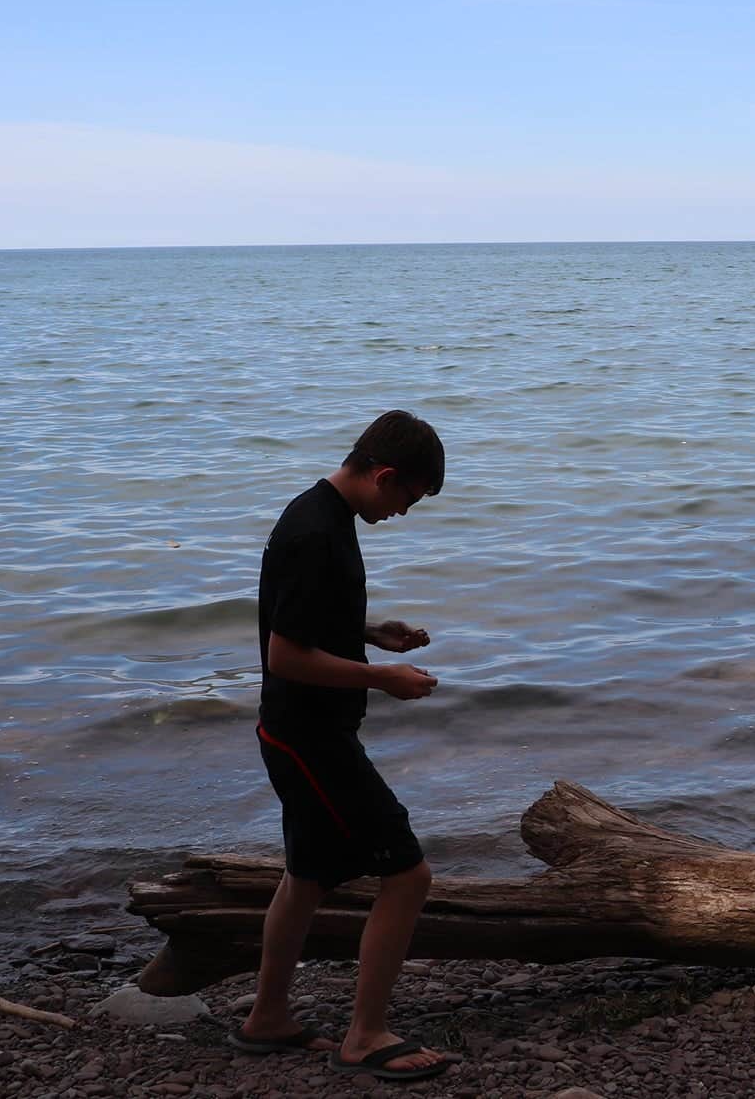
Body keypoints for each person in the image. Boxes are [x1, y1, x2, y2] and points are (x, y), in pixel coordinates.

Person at [233, 410, 452, 1082]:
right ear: (383, 475)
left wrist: (369, 633)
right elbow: (286, 655)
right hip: (309, 736)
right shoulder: (314, 532)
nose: (403, 513)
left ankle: (268, 1018)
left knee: (306, 878)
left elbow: (307, 619)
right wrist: (380, 677)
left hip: (293, 731)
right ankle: (366, 1033)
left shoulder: (321, 516)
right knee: (408, 874)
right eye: (406, 498)